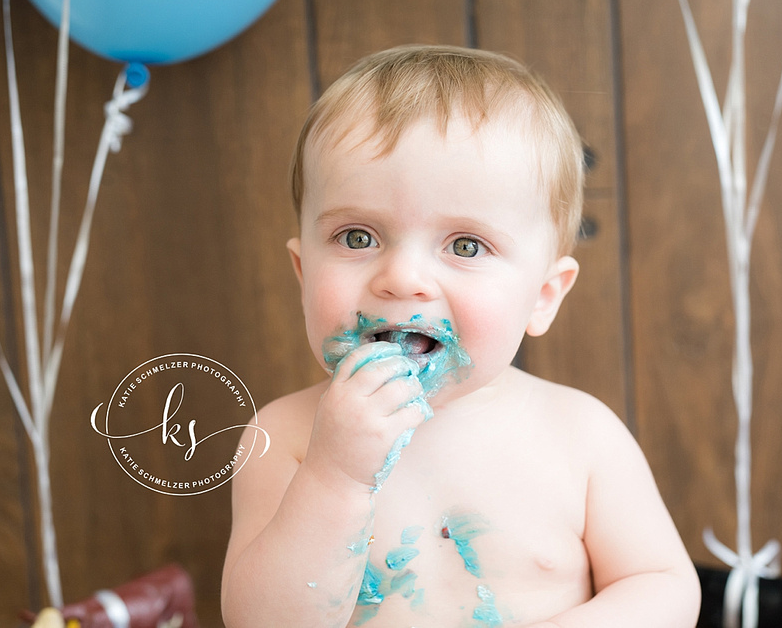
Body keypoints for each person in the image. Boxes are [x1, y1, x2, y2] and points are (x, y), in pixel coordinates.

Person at [221, 45, 700, 627]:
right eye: (356, 237)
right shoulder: (285, 439)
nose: (402, 278)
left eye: (465, 246)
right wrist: (336, 473)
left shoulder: (582, 436)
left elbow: (663, 587)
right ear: (303, 276)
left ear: (543, 296)